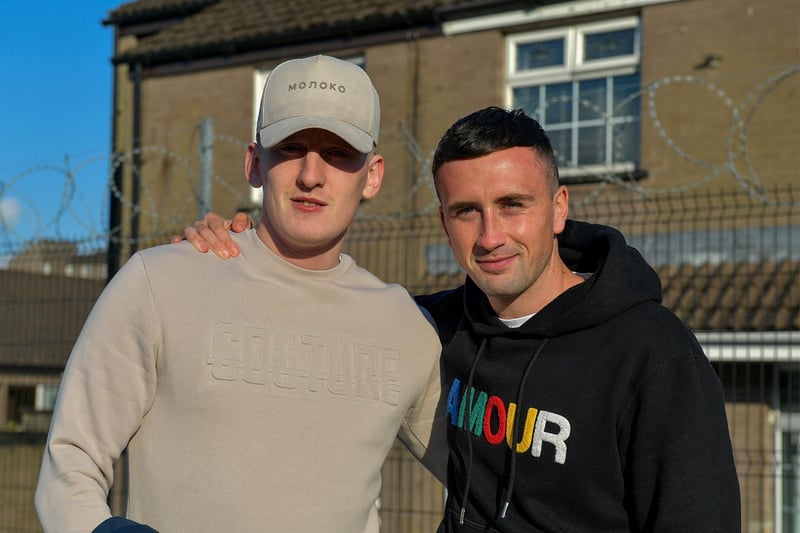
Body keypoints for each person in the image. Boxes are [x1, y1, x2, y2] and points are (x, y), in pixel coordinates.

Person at [185, 106, 741, 532]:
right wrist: (236, 256)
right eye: (466, 211)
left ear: (559, 208)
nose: (491, 236)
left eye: (512, 205)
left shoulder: (653, 355)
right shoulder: (428, 328)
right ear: (445, 223)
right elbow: (317, 313)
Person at [34, 54, 446, 533]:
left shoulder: (406, 326)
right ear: (255, 163)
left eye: (338, 154)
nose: (311, 174)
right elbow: (70, 464)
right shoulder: (161, 283)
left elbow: (492, 481)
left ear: (372, 175)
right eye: (291, 148)